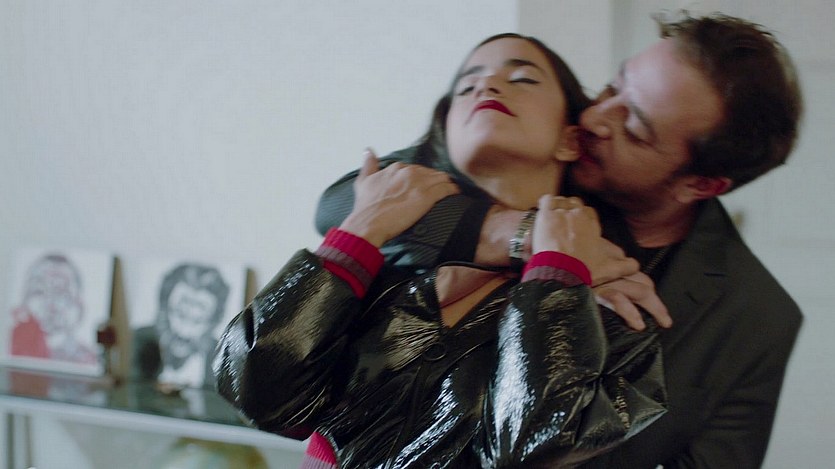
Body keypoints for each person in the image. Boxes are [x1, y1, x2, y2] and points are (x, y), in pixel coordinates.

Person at [316, 12, 804, 468]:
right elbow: (342, 203)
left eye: (633, 128)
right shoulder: (546, 140)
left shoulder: (757, 320)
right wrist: (519, 233)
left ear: (700, 184)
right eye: (614, 85)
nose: (594, 119)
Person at [215, 34, 668, 468]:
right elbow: (260, 394)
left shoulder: (614, 302)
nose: (487, 85)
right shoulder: (384, 263)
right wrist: (361, 229)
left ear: (570, 139)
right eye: (466, 86)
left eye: (522, 78)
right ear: (446, 132)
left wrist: (557, 274)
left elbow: (531, 442)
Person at [134, 263, 230, 389]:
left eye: (197, 320)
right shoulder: (138, 339)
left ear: (212, 321)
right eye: (180, 313)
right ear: (165, 306)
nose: (185, 329)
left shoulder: (221, 357)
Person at [10, 253, 98, 365]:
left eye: (60, 293)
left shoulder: (87, 361)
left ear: (78, 306)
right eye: (39, 292)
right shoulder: (13, 348)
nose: (49, 304)